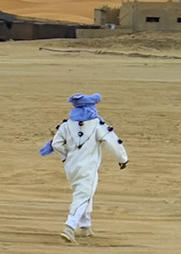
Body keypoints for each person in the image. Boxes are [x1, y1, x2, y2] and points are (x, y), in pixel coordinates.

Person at [39, 93, 128, 242]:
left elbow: (56, 144)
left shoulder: (66, 125)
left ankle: (86, 226)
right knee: (83, 195)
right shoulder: (98, 124)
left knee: (84, 192)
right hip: (88, 167)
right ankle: (70, 226)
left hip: (71, 167)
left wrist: (65, 158)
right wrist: (123, 159)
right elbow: (113, 143)